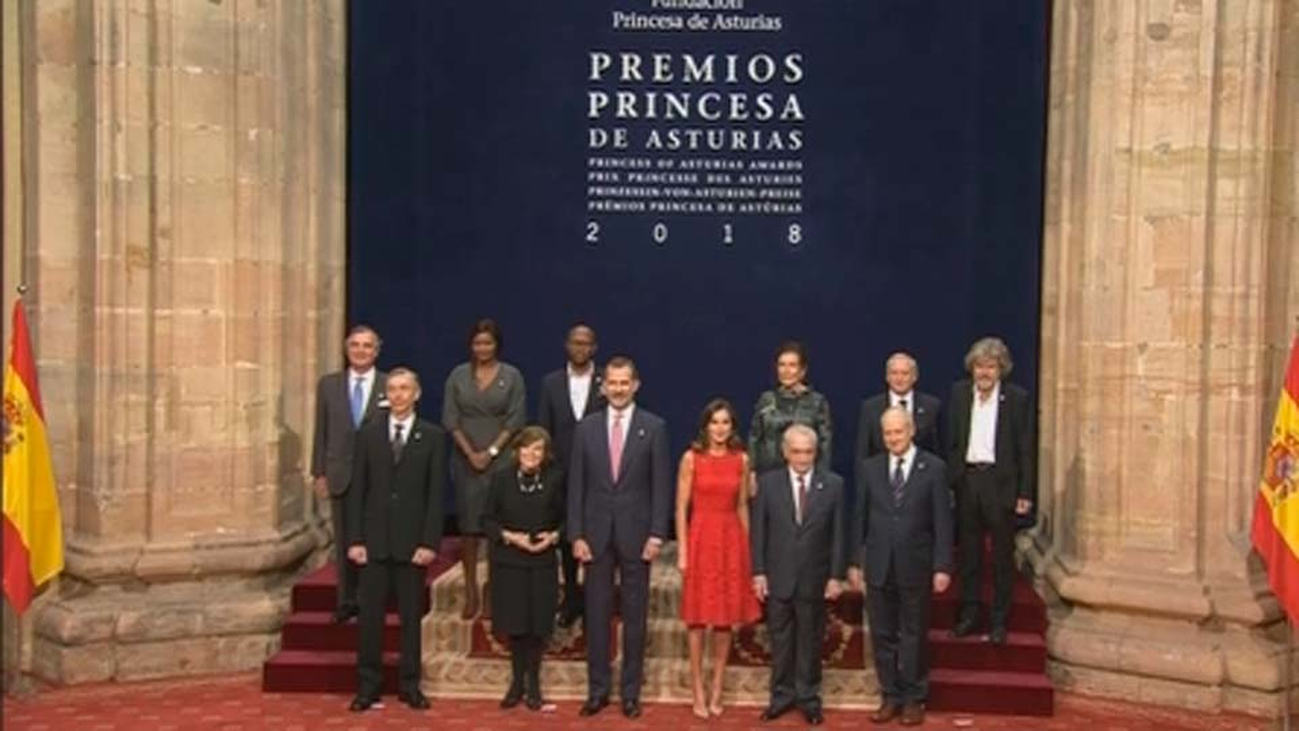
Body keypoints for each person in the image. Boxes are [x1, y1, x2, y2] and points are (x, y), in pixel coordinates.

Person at [567, 356, 671, 719]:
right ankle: (597, 691)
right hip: (594, 535)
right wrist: (576, 533)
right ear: (603, 386)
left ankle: (630, 692)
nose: (618, 388)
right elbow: (576, 485)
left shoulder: (653, 428)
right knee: (595, 616)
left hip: (637, 535)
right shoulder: (586, 428)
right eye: (612, 382)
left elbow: (661, 486)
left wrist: (658, 533)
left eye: (624, 382)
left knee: (635, 616)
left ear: (636, 385)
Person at [346, 368, 447, 712]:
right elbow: (357, 491)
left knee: (410, 623)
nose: (399, 395)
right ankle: (368, 687)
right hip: (373, 544)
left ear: (416, 393)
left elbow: (436, 496)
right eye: (393, 389)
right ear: (386, 394)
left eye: (405, 389)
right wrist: (356, 540)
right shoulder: (369, 435)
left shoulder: (432, 436)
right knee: (370, 621)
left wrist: (429, 543)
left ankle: (410, 686)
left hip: (412, 545)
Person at [848, 407, 953, 726]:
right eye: (887, 433)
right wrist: (854, 562)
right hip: (879, 565)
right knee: (882, 635)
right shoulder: (870, 468)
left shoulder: (933, 468)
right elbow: (859, 518)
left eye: (898, 432)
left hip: (916, 566)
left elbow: (943, 522)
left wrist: (942, 566)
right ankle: (890, 696)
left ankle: (913, 698)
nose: (893, 438)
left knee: (913, 634)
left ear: (911, 431)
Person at [750, 424, 846, 727]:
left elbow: (839, 535)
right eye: (797, 452)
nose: (803, 458)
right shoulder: (768, 484)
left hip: (814, 579)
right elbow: (759, 533)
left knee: (809, 641)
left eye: (808, 452)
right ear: (785, 452)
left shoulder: (833, 485)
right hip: (778, 577)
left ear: (816, 453)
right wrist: (759, 572)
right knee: (780, 641)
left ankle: (808, 698)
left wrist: (835, 576)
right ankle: (780, 696)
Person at [675, 399, 761, 719]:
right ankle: (697, 686)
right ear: (705, 426)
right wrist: (683, 550)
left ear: (732, 427)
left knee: (724, 619)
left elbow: (741, 507)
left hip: (730, 539)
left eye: (726, 422)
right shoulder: (691, 458)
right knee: (697, 618)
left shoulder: (741, 460)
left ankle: (717, 687)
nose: (720, 428)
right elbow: (680, 509)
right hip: (700, 537)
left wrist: (747, 549)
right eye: (715, 422)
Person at [946, 337, 1034, 645]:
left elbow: (1025, 449)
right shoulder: (959, 394)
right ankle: (970, 614)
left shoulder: (1017, 399)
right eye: (980, 366)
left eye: (991, 367)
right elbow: (952, 441)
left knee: (1000, 557)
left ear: (1001, 370)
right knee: (968, 555)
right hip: (969, 480)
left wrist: (1025, 492)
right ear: (972, 368)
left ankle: (999, 620)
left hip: (1001, 484)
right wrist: (954, 480)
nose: (984, 372)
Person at [442, 319, 526, 620]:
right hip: (466, 461)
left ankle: (493, 590)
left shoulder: (512, 376)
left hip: (500, 460)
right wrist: (471, 454)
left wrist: (490, 452)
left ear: (497, 345)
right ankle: (470, 591)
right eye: (478, 343)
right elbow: (450, 419)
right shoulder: (458, 376)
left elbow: (516, 420)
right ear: (471, 345)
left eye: (488, 343)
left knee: (495, 529)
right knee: (468, 527)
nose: (483, 348)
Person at [481, 426, 565, 711]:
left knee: (537, 625)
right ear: (516, 451)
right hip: (510, 562)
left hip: (541, 562)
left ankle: (535, 685)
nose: (531, 455)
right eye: (527, 449)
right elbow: (488, 520)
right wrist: (509, 536)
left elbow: (567, 520)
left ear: (546, 454)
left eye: (538, 449)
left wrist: (553, 537)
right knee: (516, 625)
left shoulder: (555, 480)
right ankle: (516, 683)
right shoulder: (501, 479)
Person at [310, 325, 387, 624]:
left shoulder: (387, 384)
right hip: (339, 472)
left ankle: (371, 599)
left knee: (373, 539)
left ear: (376, 351)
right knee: (344, 540)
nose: (361, 351)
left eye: (367, 346)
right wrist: (319, 472)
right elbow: (321, 431)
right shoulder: (328, 385)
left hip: (375, 476)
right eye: (355, 345)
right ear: (346, 349)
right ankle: (347, 600)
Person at [536, 323, 606, 628]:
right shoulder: (551, 383)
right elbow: (543, 430)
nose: (581, 348)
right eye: (576, 343)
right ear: (567, 346)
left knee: (596, 538)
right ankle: (572, 599)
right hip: (560, 474)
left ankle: (594, 601)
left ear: (594, 348)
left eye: (586, 343)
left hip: (599, 477)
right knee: (566, 539)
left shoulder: (608, 382)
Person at [748, 341, 833, 485]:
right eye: (782, 365)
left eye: (792, 365)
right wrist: (751, 474)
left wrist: (821, 480)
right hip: (768, 477)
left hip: (804, 479)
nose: (786, 370)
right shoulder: (766, 400)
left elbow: (825, 445)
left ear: (803, 370)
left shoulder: (817, 402)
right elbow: (754, 438)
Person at [854, 351, 941, 462]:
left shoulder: (931, 406)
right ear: (887, 377)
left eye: (904, 373)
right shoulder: (870, 408)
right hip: (881, 476)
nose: (899, 378)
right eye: (894, 373)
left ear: (914, 377)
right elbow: (862, 453)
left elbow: (937, 451)